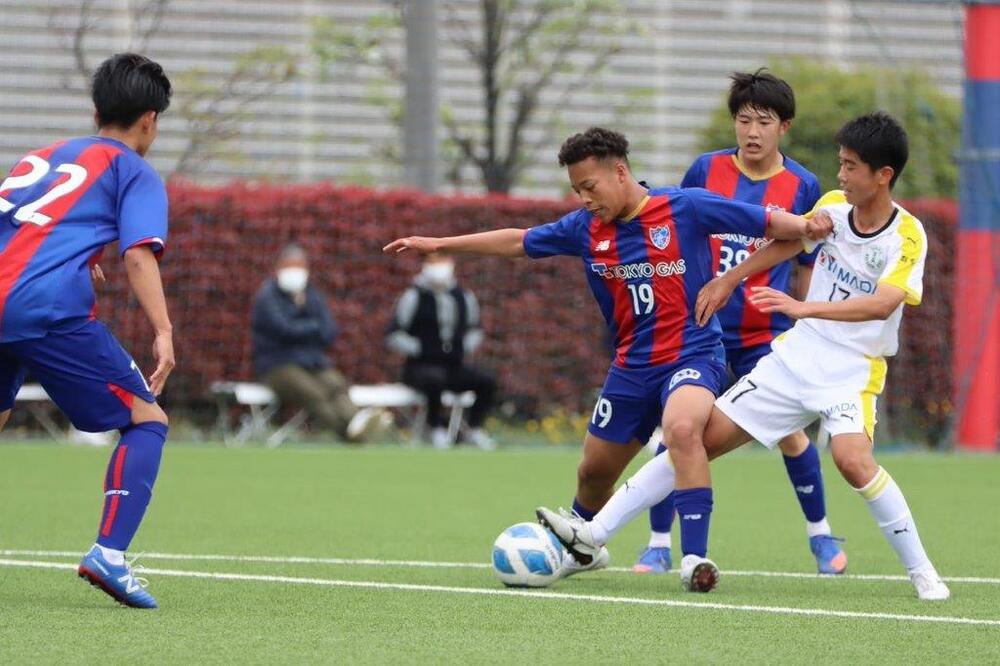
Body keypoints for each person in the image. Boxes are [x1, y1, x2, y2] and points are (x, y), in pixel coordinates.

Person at [385, 127, 830, 585]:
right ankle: (581, 549)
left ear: (620, 172)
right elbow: (519, 241)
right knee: (594, 473)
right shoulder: (584, 227)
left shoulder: (686, 207)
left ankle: (695, 558)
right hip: (632, 368)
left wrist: (788, 240)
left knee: (682, 429)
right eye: (576, 190)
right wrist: (440, 244)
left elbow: (783, 229)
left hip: (694, 355)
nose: (584, 198)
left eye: (589, 187)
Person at [538, 112, 950, 601]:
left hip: (852, 370)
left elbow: (883, 304)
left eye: (851, 166)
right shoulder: (833, 207)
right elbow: (788, 243)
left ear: (883, 175)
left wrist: (801, 307)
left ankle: (923, 572)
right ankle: (593, 537)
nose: (840, 175)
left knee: (851, 461)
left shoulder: (908, 235)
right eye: (841, 163)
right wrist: (728, 279)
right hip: (795, 359)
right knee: (690, 440)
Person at [637, 70, 846, 576]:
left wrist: (804, 325)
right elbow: (676, 232)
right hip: (700, 331)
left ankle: (821, 535)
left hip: (762, 334)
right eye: (744, 120)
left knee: (791, 434)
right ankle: (658, 544)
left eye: (764, 122)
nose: (752, 132)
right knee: (678, 428)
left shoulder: (803, 185)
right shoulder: (705, 170)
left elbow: (805, 261)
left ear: (784, 127)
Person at [0, 53, 173, 608]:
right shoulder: (133, 171)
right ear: (150, 119)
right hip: (42, 309)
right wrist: (163, 331)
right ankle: (109, 555)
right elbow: (139, 255)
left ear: (96, 111)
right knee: (146, 420)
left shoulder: (41, 157)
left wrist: (77, 254)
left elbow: (24, 229)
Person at [252, 242, 386, 443]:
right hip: (278, 366)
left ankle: (358, 423)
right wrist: (312, 326)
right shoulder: (267, 297)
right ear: (278, 268)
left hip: (312, 362)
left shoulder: (312, 295)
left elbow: (329, 331)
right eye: (290, 266)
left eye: (300, 267)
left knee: (336, 384)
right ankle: (351, 434)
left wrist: (303, 327)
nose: (295, 272)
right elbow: (284, 330)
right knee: (313, 393)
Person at [386, 252, 498, 450]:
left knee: (486, 381)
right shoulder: (413, 296)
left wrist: (463, 346)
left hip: (453, 365)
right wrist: (421, 348)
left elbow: (475, 329)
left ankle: (474, 428)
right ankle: (435, 428)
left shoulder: (464, 296)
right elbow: (394, 334)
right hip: (420, 366)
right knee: (434, 380)